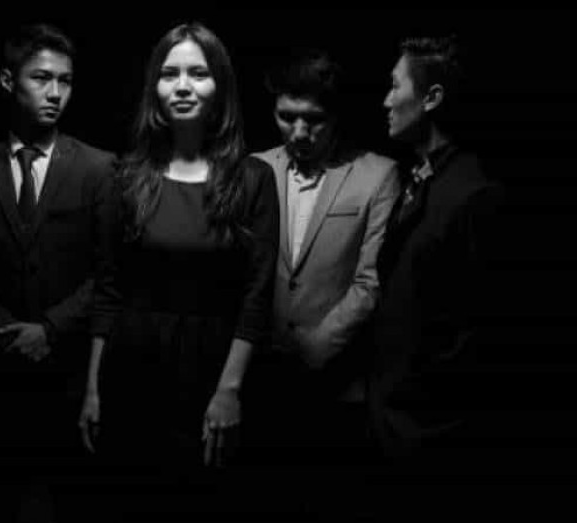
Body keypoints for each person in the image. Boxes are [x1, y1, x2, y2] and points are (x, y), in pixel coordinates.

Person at [82, 22, 279, 519]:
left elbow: (256, 297)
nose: (184, 86)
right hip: (131, 368)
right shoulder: (126, 177)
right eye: (170, 74)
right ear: (155, 88)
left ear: (221, 87)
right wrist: (93, 389)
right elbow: (109, 291)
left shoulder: (253, 179)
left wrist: (230, 390)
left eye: (198, 73)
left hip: (210, 368)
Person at [0, 23, 116, 521]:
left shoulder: (99, 168)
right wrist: (10, 335)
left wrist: (51, 329)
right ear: (7, 80)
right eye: (41, 78)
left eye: (66, 80)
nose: (56, 92)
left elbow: (110, 272)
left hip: (71, 378)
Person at [248, 50, 400, 478]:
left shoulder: (378, 175)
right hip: (256, 375)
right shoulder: (255, 167)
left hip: (336, 384)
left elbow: (371, 281)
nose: (299, 132)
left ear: (336, 116)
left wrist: (316, 345)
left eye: (314, 120)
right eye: (286, 117)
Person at [368, 35, 504, 513]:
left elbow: (476, 337)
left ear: (431, 98)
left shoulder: (474, 195)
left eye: (394, 86)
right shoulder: (420, 178)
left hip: (429, 443)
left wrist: (420, 416)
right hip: (389, 428)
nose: (385, 101)